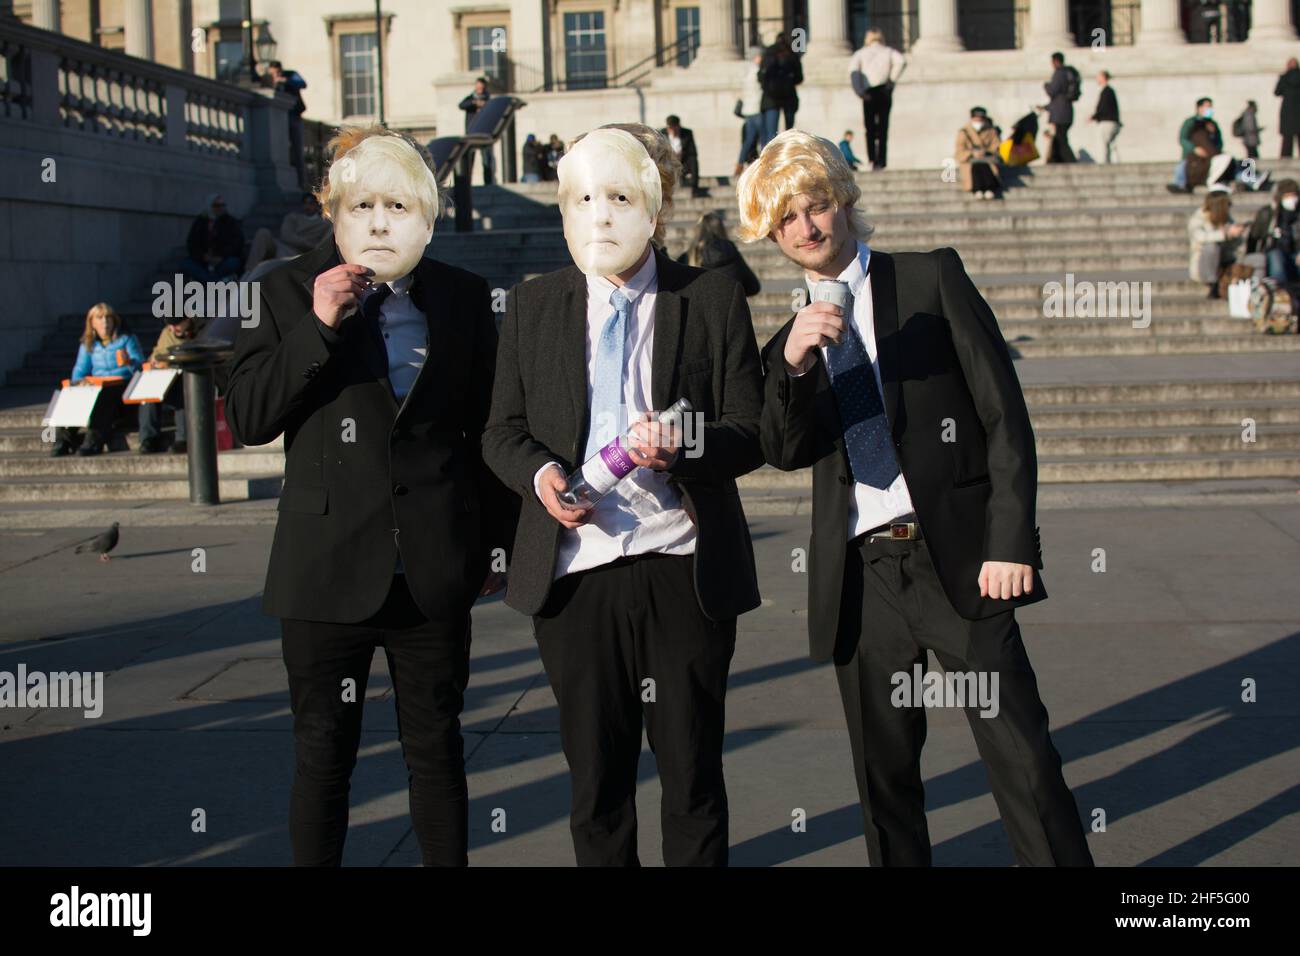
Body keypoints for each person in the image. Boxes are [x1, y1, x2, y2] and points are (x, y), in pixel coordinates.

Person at [740, 129, 1094, 867]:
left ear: (843, 201)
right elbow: (784, 449)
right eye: (786, 221)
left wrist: (1009, 545)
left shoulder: (930, 278)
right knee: (885, 781)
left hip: (960, 560)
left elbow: (1004, 415)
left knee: (1022, 756)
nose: (806, 229)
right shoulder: (788, 342)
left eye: (815, 207)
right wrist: (797, 364)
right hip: (864, 582)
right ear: (773, 237)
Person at [225, 125, 516, 867]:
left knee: (437, 751)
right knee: (324, 755)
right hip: (324, 573)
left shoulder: (459, 294)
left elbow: (488, 427)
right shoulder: (283, 291)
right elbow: (252, 417)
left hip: (431, 569)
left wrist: (500, 540)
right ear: (334, 207)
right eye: (362, 202)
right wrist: (318, 327)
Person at [482, 126, 765, 867]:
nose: (600, 215)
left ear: (655, 204)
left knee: (692, 778)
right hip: (574, 576)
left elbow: (750, 430)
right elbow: (501, 432)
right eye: (582, 198)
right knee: (597, 788)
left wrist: (685, 445)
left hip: (682, 564)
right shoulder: (534, 305)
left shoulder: (709, 298)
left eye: (618, 196)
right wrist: (541, 476)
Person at [50, 303, 145, 457]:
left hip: (122, 387)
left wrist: (129, 361)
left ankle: (94, 440)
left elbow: (140, 366)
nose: (105, 322)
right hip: (97, 386)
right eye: (99, 318)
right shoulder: (88, 344)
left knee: (105, 394)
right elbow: (80, 370)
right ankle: (63, 440)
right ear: (92, 322)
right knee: (67, 391)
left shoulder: (127, 339)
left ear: (114, 321)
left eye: (108, 317)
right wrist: (79, 382)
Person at [136, 313, 209, 454]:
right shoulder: (167, 333)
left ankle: (183, 438)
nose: (173, 329)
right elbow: (157, 353)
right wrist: (154, 362)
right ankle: (148, 438)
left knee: (182, 392)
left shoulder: (201, 331)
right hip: (165, 377)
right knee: (148, 394)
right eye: (170, 325)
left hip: (190, 378)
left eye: (176, 325)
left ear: (187, 320)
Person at [1167, 98, 1272, 194]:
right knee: (1182, 167)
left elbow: (1219, 142)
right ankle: (1181, 185)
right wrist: (1194, 149)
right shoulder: (1191, 123)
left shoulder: (1213, 124)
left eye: (1210, 106)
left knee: (1234, 165)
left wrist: (1216, 151)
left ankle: (1253, 180)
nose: (1210, 109)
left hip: (1212, 157)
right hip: (1195, 159)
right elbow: (1183, 139)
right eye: (1207, 106)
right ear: (1199, 108)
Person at [848, 28, 906, 171]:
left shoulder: (861, 53)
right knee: (883, 127)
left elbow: (853, 73)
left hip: (869, 93)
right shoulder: (888, 51)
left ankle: (872, 159)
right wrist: (891, 80)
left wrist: (860, 91)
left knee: (870, 128)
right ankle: (882, 160)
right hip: (884, 90)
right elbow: (901, 61)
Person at [242, 192, 333, 279]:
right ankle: (249, 272)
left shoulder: (325, 224)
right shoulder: (292, 217)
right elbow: (287, 236)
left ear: (318, 205)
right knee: (263, 233)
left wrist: (312, 247)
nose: (307, 206)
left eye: (311, 203)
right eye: (305, 203)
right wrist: (308, 243)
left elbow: (322, 245)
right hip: (285, 247)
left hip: (302, 254)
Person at [676, 211, 761, 296]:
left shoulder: (687, 257)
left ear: (698, 231)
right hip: (731, 306)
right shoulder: (731, 253)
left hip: (698, 307)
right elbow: (753, 287)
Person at [1188, 186, 1246, 298]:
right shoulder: (1198, 218)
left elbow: (1235, 244)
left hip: (1225, 258)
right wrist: (1225, 234)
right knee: (1211, 247)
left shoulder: (1226, 219)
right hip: (1205, 263)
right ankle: (1213, 284)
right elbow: (1200, 237)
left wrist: (1237, 234)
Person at [262, 61, 308, 188]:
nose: (275, 75)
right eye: (273, 74)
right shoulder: (267, 79)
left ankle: (301, 183)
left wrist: (285, 80)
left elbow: (303, 84)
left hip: (294, 116)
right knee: (280, 149)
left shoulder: (291, 74)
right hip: (277, 117)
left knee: (297, 150)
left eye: (277, 73)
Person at [1246, 178, 1300, 284]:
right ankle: (1279, 289)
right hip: (1275, 249)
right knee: (1276, 259)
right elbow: (1254, 236)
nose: (1291, 199)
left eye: (1294, 195)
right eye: (1287, 196)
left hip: (1296, 252)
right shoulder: (1268, 213)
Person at [182, 194, 244, 282]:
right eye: (217, 205)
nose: (220, 208)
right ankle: (216, 281)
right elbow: (192, 243)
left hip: (223, 260)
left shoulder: (231, 222)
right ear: (210, 206)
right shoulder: (200, 221)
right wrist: (203, 256)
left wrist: (221, 256)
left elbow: (237, 243)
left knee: (233, 262)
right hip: (203, 261)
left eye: (223, 205)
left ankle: (208, 280)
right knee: (186, 264)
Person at [759, 33, 802, 148]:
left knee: (771, 135)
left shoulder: (768, 54)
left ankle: (769, 161)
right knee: (789, 133)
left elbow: (760, 76)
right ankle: (788, 156)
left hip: (770, 98)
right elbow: (799, 78)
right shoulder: (792, 55)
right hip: (788, 96)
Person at [955, 106, 1002, 200]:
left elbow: (996, 146)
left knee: (986, 166)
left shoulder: (991, 131)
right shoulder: (964, 132)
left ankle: (989, 188)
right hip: (970, 159)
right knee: (976, 167)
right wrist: (972, 153)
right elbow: (959, 150)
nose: (978, 121)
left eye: (980, 119)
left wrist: (985, 152)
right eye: (976, 118)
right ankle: (977, 189)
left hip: (987, 159)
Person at [1040, 51, 1079, 163]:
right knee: (1060, 138)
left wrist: (1046, 85)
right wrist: (1046, 107)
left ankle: (1070, 161)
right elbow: (1058, 98)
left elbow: (1053, 91)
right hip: (1066, 112)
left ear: (1055, 61)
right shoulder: (1068, 73)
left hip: (1060, 114)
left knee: (1061, 138)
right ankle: (1055, 161)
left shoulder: (1059, 73)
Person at [458, 76, 495, 186]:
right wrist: (475, 103)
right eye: (478, 87)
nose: (479, 89)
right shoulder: (470, 99)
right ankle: (467, 183)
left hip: (484, 133)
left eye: (481, 88)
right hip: (472, 133)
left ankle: (488, 183)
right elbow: (461, 105)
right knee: (469, 160)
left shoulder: (488, 99)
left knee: (486, 160)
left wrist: (484, 104)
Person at [735, 48, 765, 177]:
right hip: (757, 108)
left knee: (748, 140)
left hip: (748, 110)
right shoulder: (757, 71)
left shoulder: (745, 73)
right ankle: (764, 165)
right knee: (763, 139)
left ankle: (739, 165)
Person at [662, 114, 706, 197]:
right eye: (670, 128)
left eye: (675, 128)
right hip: (669, 164)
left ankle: (694, 188)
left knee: (693, 160)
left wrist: (682, 153)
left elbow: (693, 152)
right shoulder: (662, 134)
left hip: (683, 163)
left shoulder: (687, 133)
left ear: (679, 127)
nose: (673, 131)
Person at [1089, 70, 1121, 164]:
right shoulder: (1109, 91)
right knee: (1111, 145)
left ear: (1103, 78)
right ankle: (1115, 162)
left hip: (1107, 121)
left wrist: (1094, 116)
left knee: (1103, 144)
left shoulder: (1106, 91)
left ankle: (1104, 163)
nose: (1097, 79)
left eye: (1098, 77)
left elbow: (1103, 108)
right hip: (1112, 121)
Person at [1276, 59, 1300, 158]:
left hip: (1287, 112)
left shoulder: (1284, 78)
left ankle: (1285, 159)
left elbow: (1277, 92)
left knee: (1287, 140)